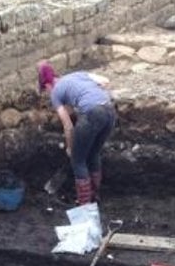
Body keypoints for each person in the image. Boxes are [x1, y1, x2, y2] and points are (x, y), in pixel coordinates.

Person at [38, 60, 116, 205]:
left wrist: (69, 147)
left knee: (78, 160)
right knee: (93, 154)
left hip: (92, 114)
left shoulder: (55, 93)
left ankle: (84, 205)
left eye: (45, 89)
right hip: (110, 111)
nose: (48, 93)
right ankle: (94, 197)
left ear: (47, 85)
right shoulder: (78, 75)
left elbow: (68, 126)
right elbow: (105, 81)